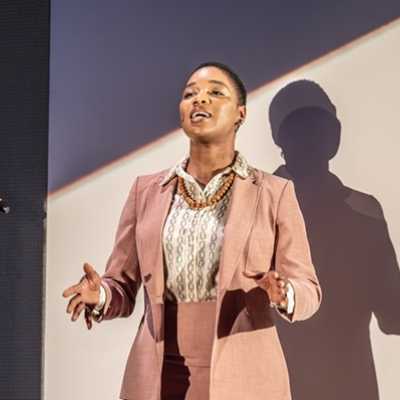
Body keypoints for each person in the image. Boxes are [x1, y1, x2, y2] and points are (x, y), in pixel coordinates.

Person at [62, 62, 322, 400]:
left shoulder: (274, 192)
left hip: (244, 377)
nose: (200, 100)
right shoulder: (146, 191)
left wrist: (285, 291)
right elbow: (122, 286)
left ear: (240, 114)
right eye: (190, 95)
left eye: (216, 92)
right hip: (157, 374)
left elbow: (309, 289)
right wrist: (101, 295)